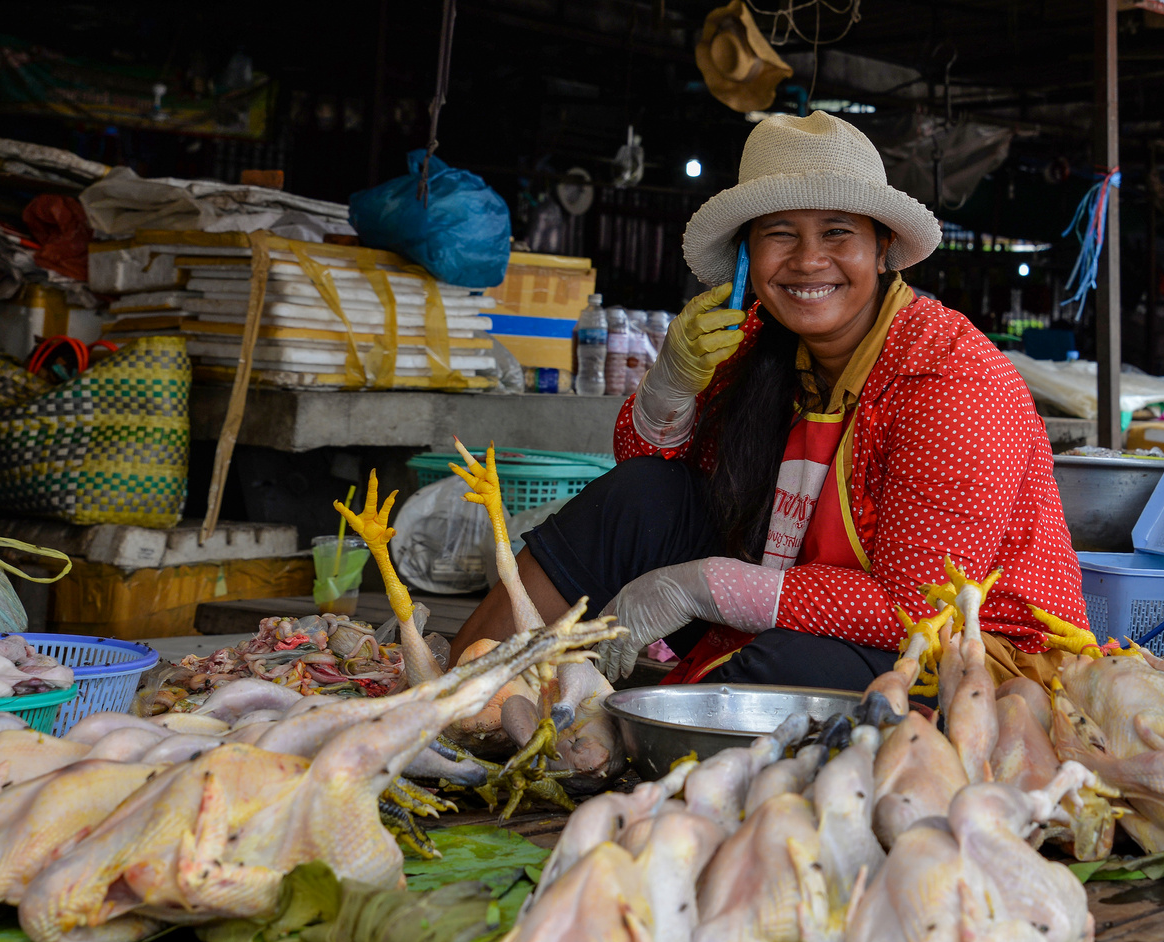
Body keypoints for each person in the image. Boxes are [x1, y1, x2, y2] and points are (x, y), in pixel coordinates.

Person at [451, 111, 1087, 696]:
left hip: (964, 655)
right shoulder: (755, 344)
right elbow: (647, 469)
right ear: (746, 261)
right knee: (640, 496)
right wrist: (672, 379)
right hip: (789, 598)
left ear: (883, 248)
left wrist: (693, 585)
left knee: (776, 677)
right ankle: (462, 683)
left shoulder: (952, 379)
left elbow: (918, 606)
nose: (809, 261)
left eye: (837, 233)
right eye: (780, 235)